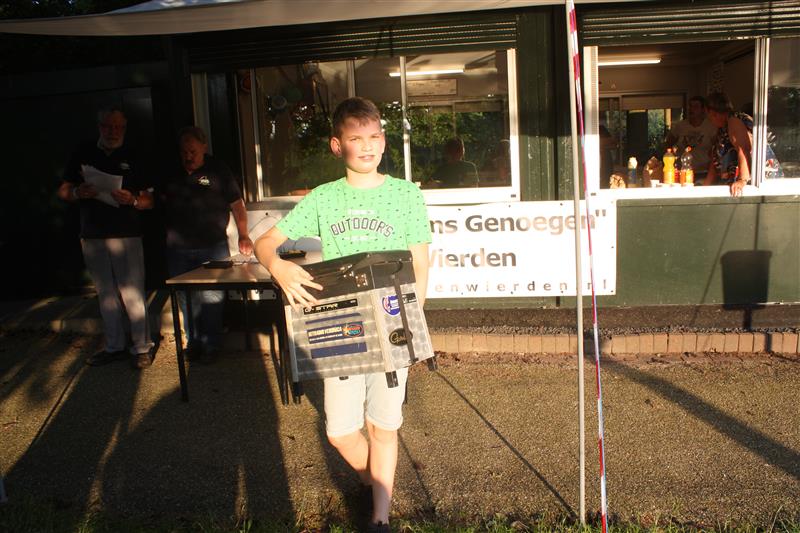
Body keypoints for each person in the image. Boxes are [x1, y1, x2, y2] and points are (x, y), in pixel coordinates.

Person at [254, 97, 431, 532]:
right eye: (355, 138)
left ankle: (380, 518)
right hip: (343, 326)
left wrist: (414, 325)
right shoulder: (324, 198)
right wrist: (278, 267)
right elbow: (265, 242)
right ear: (337, 146)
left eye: (374, 137)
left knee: (383, 427)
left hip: (392, 323)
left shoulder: (406, 195)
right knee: (340, 432)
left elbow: (420, 263)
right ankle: (375, 483)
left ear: (384, 141)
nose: (366, 146)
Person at [57, 108, 156, 369]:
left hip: (126, 234)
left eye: (118, 127)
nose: (113, 132)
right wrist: (78, 193)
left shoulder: (135, 155)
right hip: (93, 234)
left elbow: (150, 200)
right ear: (99, 126)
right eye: (108, 126)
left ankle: (142, 347)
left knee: (132, 293)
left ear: (125, 128)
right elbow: (64, 190)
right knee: (106, 294)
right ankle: (114, 346)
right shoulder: (83, 152)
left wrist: (132, 200)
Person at [162, 126, 254, 364]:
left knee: (212, 295)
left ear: (204, 147)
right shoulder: (171, 171)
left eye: (193, 151)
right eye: (184, 152)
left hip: (212, 245)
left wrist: (244, 234)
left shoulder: (218, 170)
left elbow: (237, 204)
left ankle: (211, 344)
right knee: (185, 297)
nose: (188, 156)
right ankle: (193, 342)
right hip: (178, 247)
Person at [704, 92, 783, 197]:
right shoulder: (722, 130)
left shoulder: (734, 120)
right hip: (734, 189)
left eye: (708, 116)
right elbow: (714, 166)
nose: (710, 121)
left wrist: (742, 180)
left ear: (713, 112)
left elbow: (744, 148)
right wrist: (703, 190)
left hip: (760, 187)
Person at [665, 96, 718, 183]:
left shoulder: (710, 127)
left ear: (703, 109)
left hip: (704, 172)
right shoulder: (680, 126)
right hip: (683, 171)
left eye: (696, 106)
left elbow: (717, 149)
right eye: (690, 106)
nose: (692, 109)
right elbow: (668, 144)